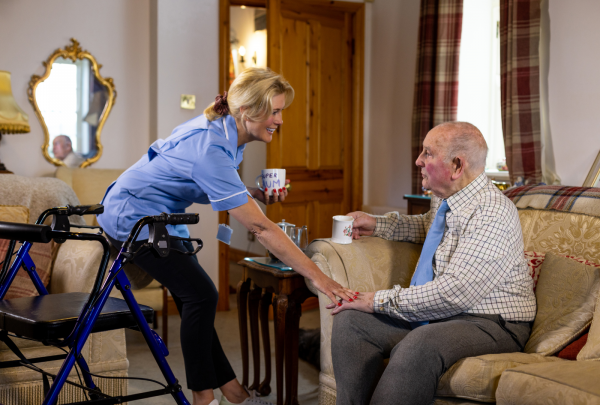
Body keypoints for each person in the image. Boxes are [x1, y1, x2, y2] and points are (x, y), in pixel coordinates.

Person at [97, 67, 357, 405]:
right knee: (201, 296)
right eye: (275, 111)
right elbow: (261, 227)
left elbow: (204, 182)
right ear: (247, 112)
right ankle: (203, 397)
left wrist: (251, 194)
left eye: (281, 111)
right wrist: (320, 278)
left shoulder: (227, 133)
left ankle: (232, 391)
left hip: (163, 214)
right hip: (132, 215)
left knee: (199, 298)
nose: (280, 120)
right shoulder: (211, 148)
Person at [327, 122, 536, 405]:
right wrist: (377, 224)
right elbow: (430, 227)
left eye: (428, 153)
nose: (418, 161)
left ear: (457, 165)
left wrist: (376, 300)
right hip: (446, 314)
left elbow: (454, 293)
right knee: (352, 323)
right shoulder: (446, 198)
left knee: (418, 346)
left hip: (493, 321)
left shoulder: (493, 213)